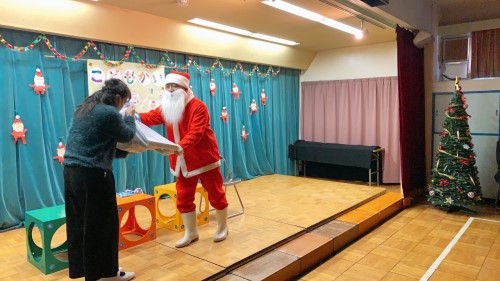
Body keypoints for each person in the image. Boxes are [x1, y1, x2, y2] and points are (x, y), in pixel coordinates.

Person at [140, 71, 229, 248]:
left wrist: (179, 146)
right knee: (183, 197)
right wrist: (132, 116)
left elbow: (196, 132)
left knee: (216, 194)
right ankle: (191, 232)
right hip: (182, 161)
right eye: (168, 86)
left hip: (204, 159)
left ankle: (222, 227)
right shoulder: (167, 106)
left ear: (185, 88)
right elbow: (150, 117)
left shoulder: (199, 107)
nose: (171, 89)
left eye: (175, 86)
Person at [63, 78, 136, 281]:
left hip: (71, 172)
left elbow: (100, 143)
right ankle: (107, 274)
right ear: (118, 97)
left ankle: (82, 270)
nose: (124, 107)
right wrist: (130, 117)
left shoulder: (85, 108)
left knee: (79, 223)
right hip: (93, 175)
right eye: (125, 103)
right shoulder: (109, 112)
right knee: (103, 226)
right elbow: (128, 136)